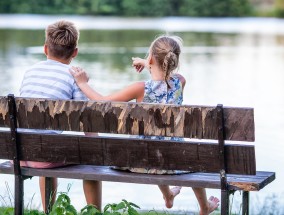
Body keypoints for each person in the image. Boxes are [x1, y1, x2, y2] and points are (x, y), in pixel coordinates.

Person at [70, 35, 220, 215]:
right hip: (177, 161)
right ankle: (204, 207)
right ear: (174, 60)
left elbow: (102, 102)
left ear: (151, 59)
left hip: (138, 161)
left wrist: (82, 83)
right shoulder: (180, 82)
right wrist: (149, 63)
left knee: (153, 146)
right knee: (174, 150)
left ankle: (168, 195)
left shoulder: (140, 88)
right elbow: (166, 73)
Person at [19, 20, 102, 211]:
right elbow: (87, 121)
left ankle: (48, 210)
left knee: (45, 141)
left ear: (45, 48)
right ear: (75, 52)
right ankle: (95, 211)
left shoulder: (30, 72)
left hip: (21, 152)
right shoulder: (74, 76)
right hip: (45, 155)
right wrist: (97, 148)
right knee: (91, 156)